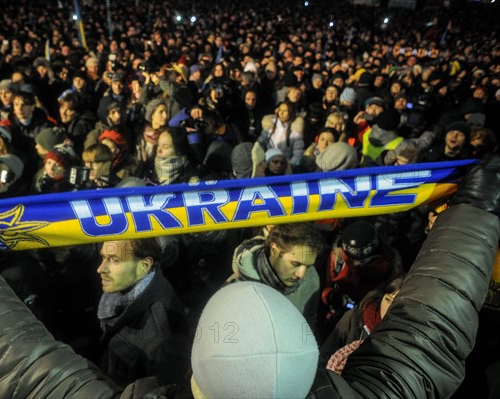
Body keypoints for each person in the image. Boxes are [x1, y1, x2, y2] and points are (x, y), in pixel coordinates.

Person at [189, 155, 500, 398]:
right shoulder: (236, 284)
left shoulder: (311, 281)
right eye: (295, 262)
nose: (302, 273)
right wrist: (475, 212)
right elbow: (425, 338)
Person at [95, 238, 190, 386]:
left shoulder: (160, 335)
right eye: (103, 257)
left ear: (144, 266)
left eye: (114, 260)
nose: (100, 268)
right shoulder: (122, 290)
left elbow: (163, 390)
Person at [228, 223, 326, 330]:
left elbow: (308, 322)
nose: (301, 274)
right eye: (295, 264)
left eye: (308, 266)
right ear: (274, 250)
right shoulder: (236, 290)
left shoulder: (311, 278)